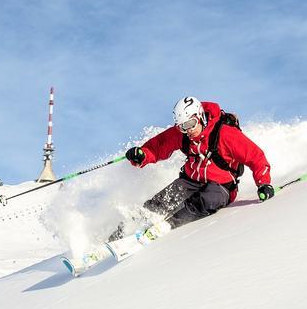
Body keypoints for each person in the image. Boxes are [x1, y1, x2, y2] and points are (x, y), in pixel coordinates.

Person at [115, 96, 274, 239]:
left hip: (222, 186)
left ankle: (167, 226)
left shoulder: (225, 134)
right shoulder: (183, 134)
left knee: (205, 200)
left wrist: (264, 183)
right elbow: (158, 146)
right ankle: (122, 233)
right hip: (191, 180)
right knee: (161, 201)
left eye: (190, 124)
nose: (188, 130)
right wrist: (142, 154)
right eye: (182, 127)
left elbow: (255, 156)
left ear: (200, 116)